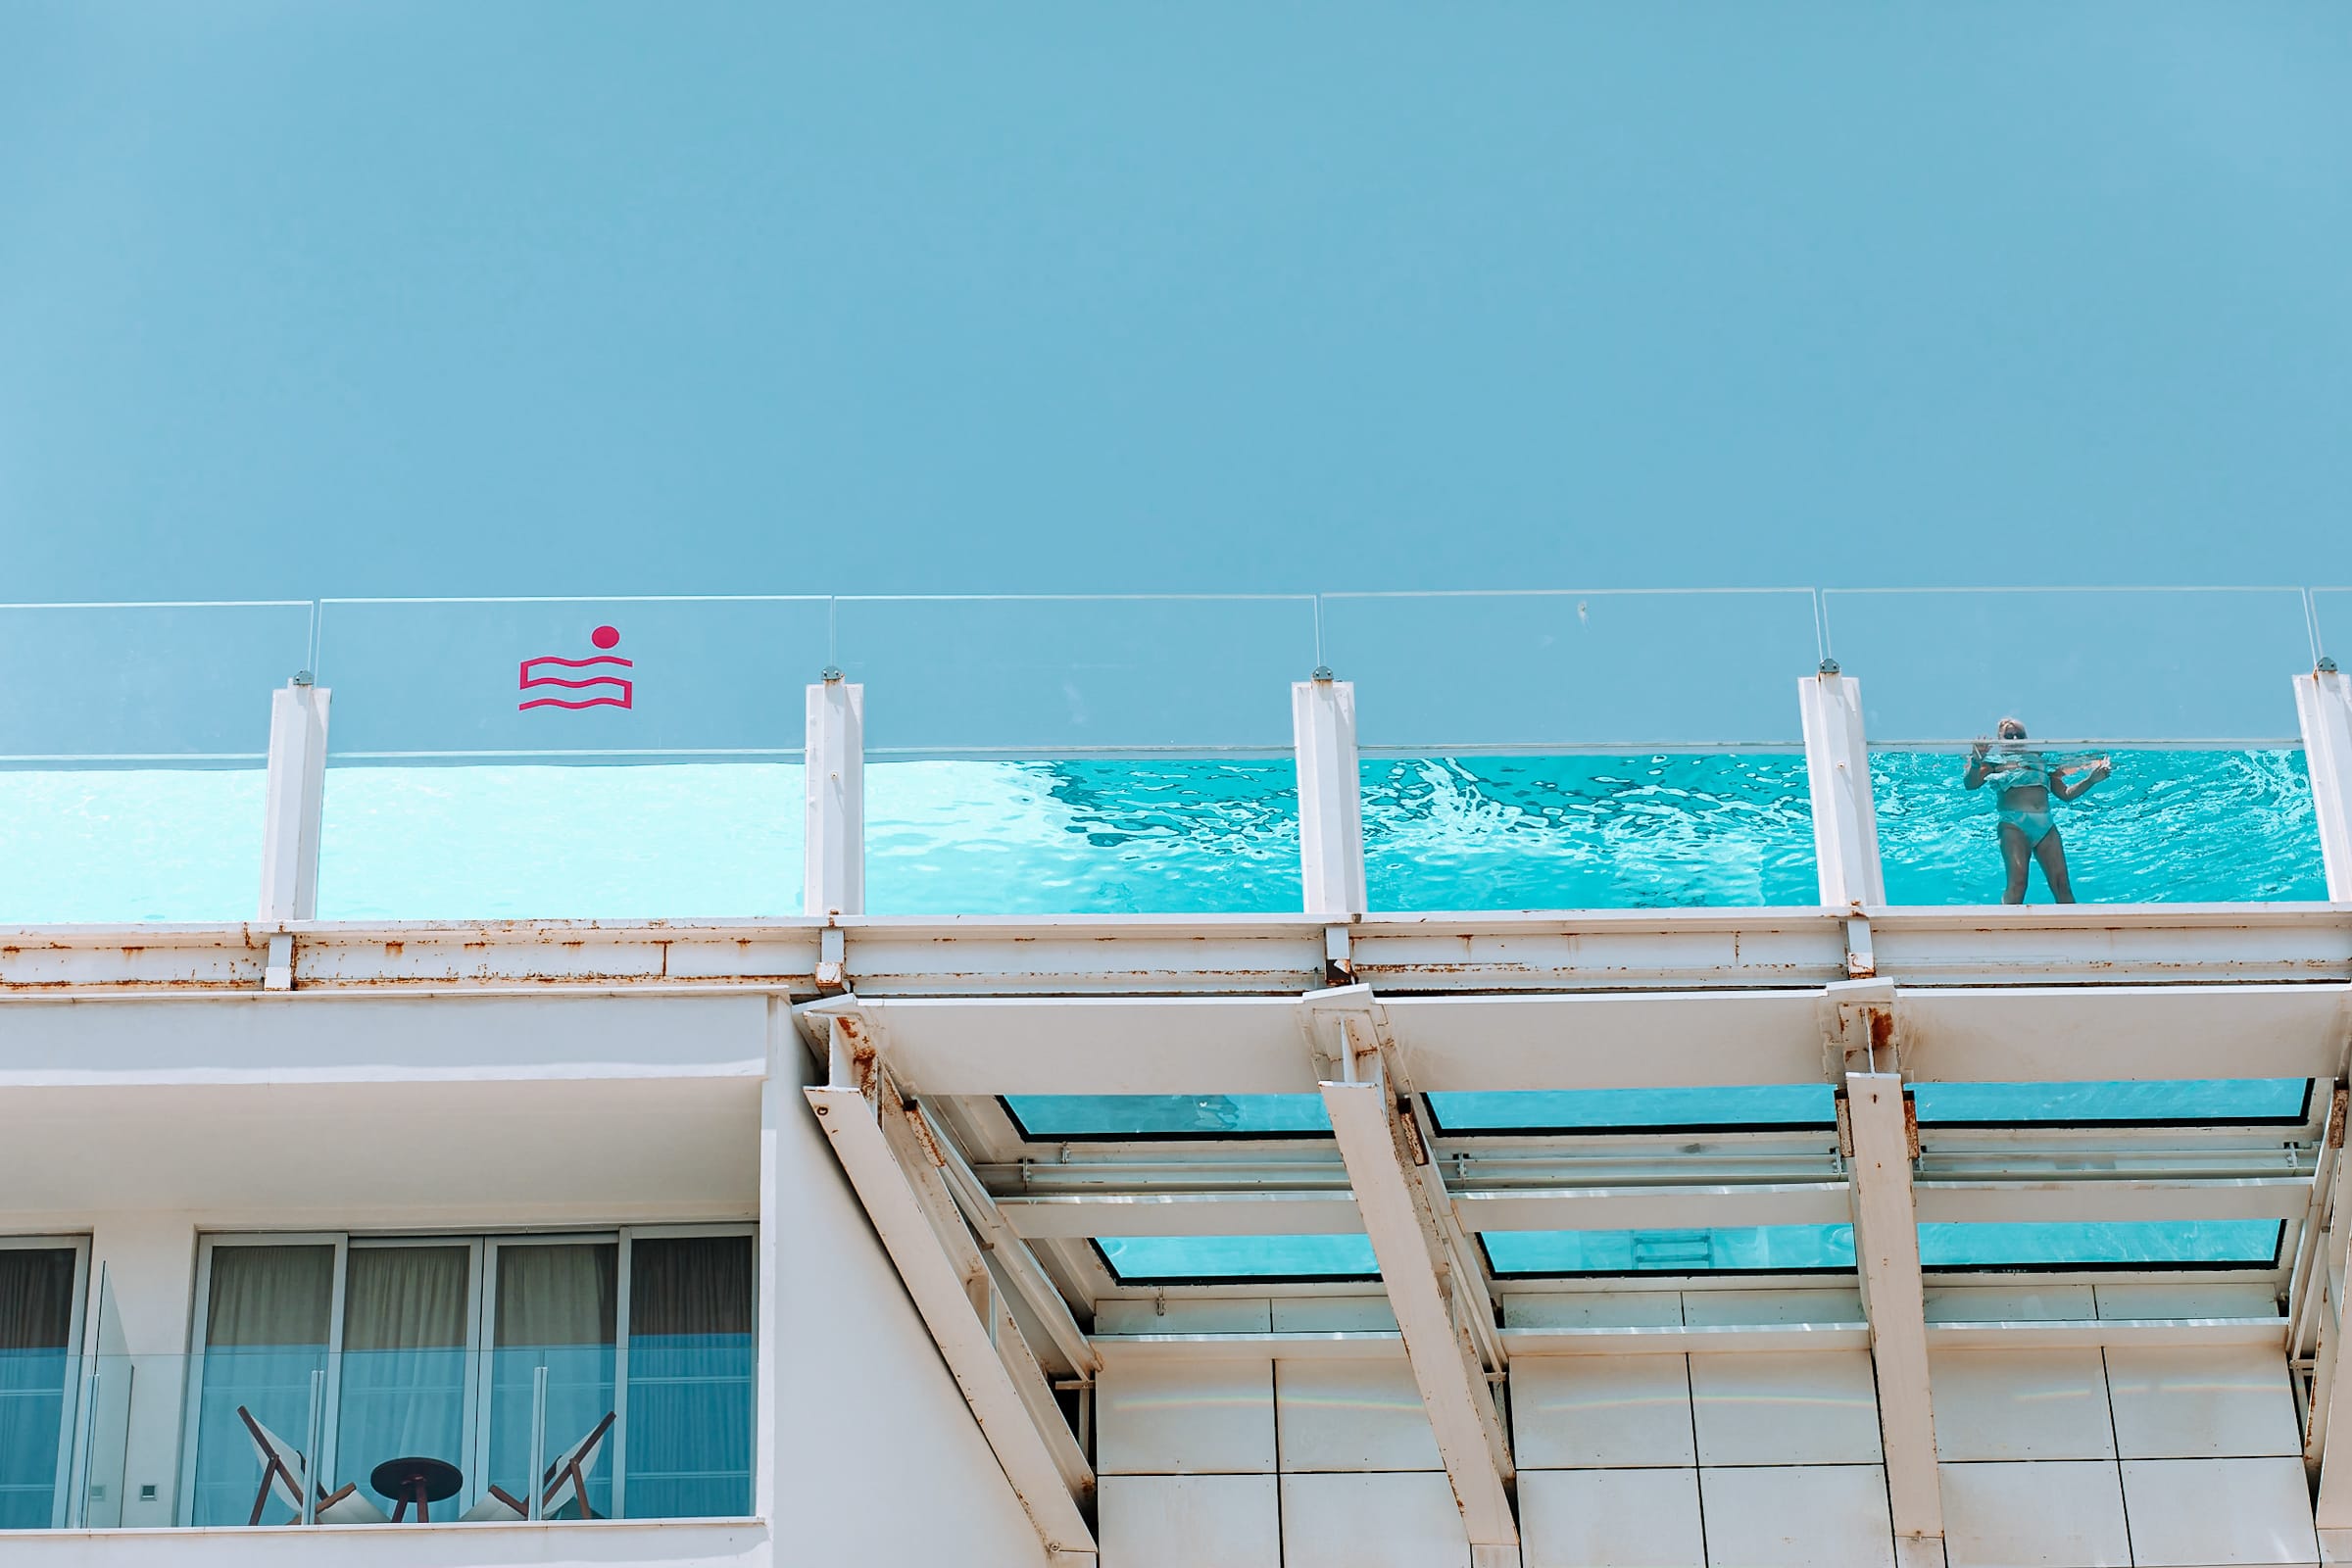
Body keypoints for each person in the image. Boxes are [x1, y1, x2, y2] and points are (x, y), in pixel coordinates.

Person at [1963, 717, 2111, 904]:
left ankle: (2072, 931)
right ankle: (2007, 930)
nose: (2016, 740)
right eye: (2009, 737)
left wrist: (2091, 780)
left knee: (2062, 885)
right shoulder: (1993, 762)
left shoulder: (2041, 761)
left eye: (2020, 735)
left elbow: (2065, 794)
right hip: (2013, 824)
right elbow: (1970, 784)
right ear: (2000, 741)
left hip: (2046, 827)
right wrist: (1976, 761)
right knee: (2017, 884)